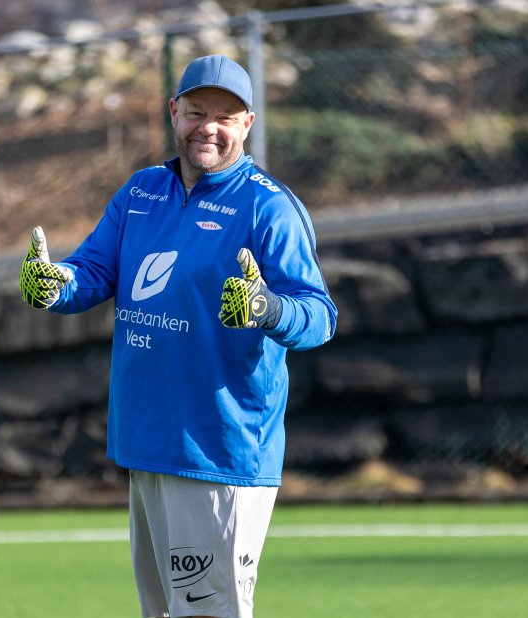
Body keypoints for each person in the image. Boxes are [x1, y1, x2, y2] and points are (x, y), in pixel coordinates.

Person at [19, 54, 337, 618]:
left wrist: (266, 307)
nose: (207, 128)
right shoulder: (142, 192)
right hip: (150, 440)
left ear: (247, 124)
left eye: (224, 115)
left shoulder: (268, 208)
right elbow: (92, 270)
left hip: (218, 451)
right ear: (174, 113)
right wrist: (53, 282)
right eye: (196, 112)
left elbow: (319, 316)